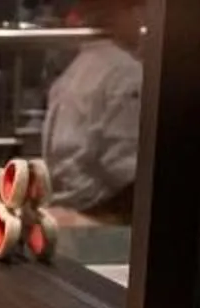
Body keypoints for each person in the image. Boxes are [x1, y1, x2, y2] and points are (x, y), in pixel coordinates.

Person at [36, 0, 140, 222]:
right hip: (100, 216)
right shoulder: (128, 73)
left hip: (61, 208)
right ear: (122, 13)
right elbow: (122, 168)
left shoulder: (75, 69)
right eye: (140, 10)